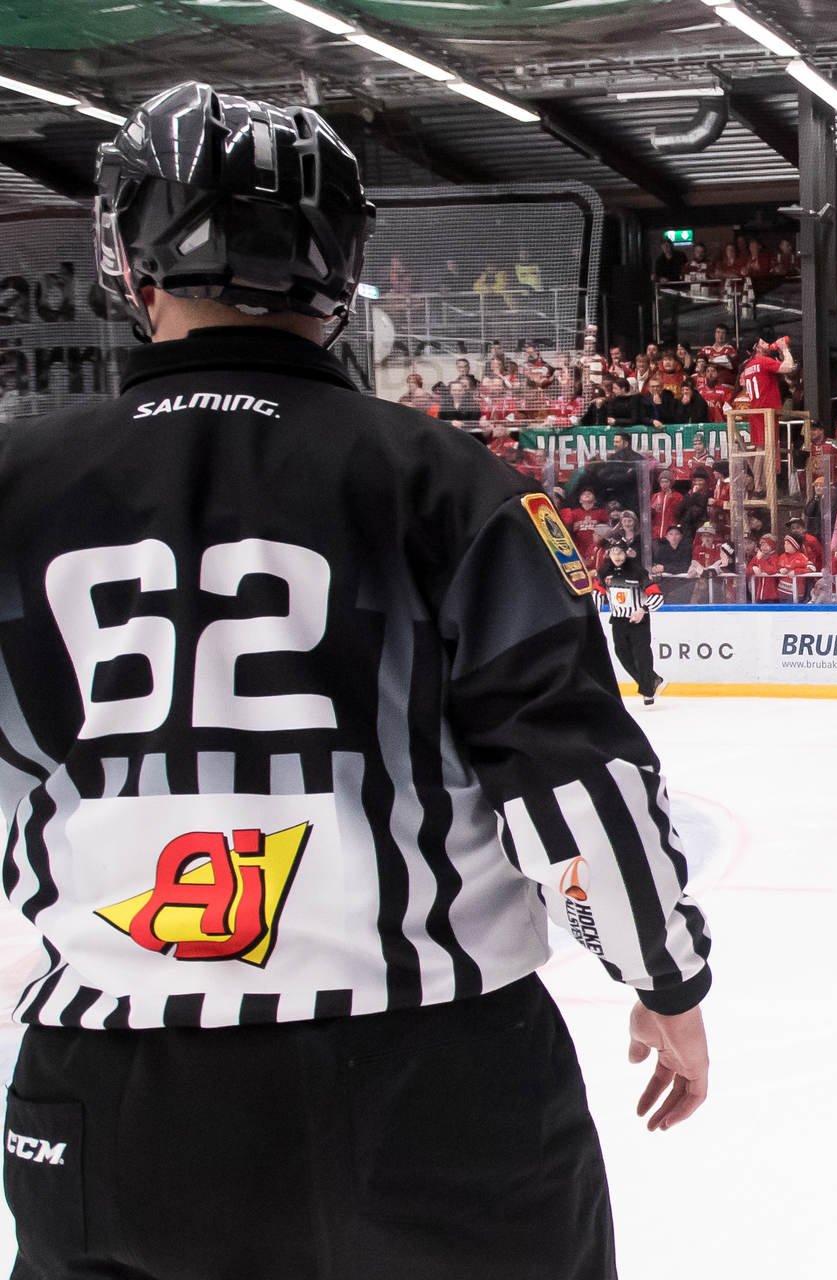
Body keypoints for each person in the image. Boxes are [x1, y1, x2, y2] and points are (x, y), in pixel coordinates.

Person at [0, 83, 709, 1279]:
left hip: (118, 1093)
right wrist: (664, 975)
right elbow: (578, 785)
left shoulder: (16, 491)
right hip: (439, 1087)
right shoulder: (450, 485)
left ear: (128, 248)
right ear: (341, 260)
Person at [600, 541, 665, 705]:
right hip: (618, 620)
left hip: (639, 619)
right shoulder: (604, 571)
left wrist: (642, 609)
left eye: (620, 553)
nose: (617, 556)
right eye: (614, 552)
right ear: (609, 553)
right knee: (622, 655)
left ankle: (648, 692)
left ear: (626, 553)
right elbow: (597, 592)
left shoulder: (637, 570)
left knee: (641, 654)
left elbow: (657, 595)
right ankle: (651, 680)